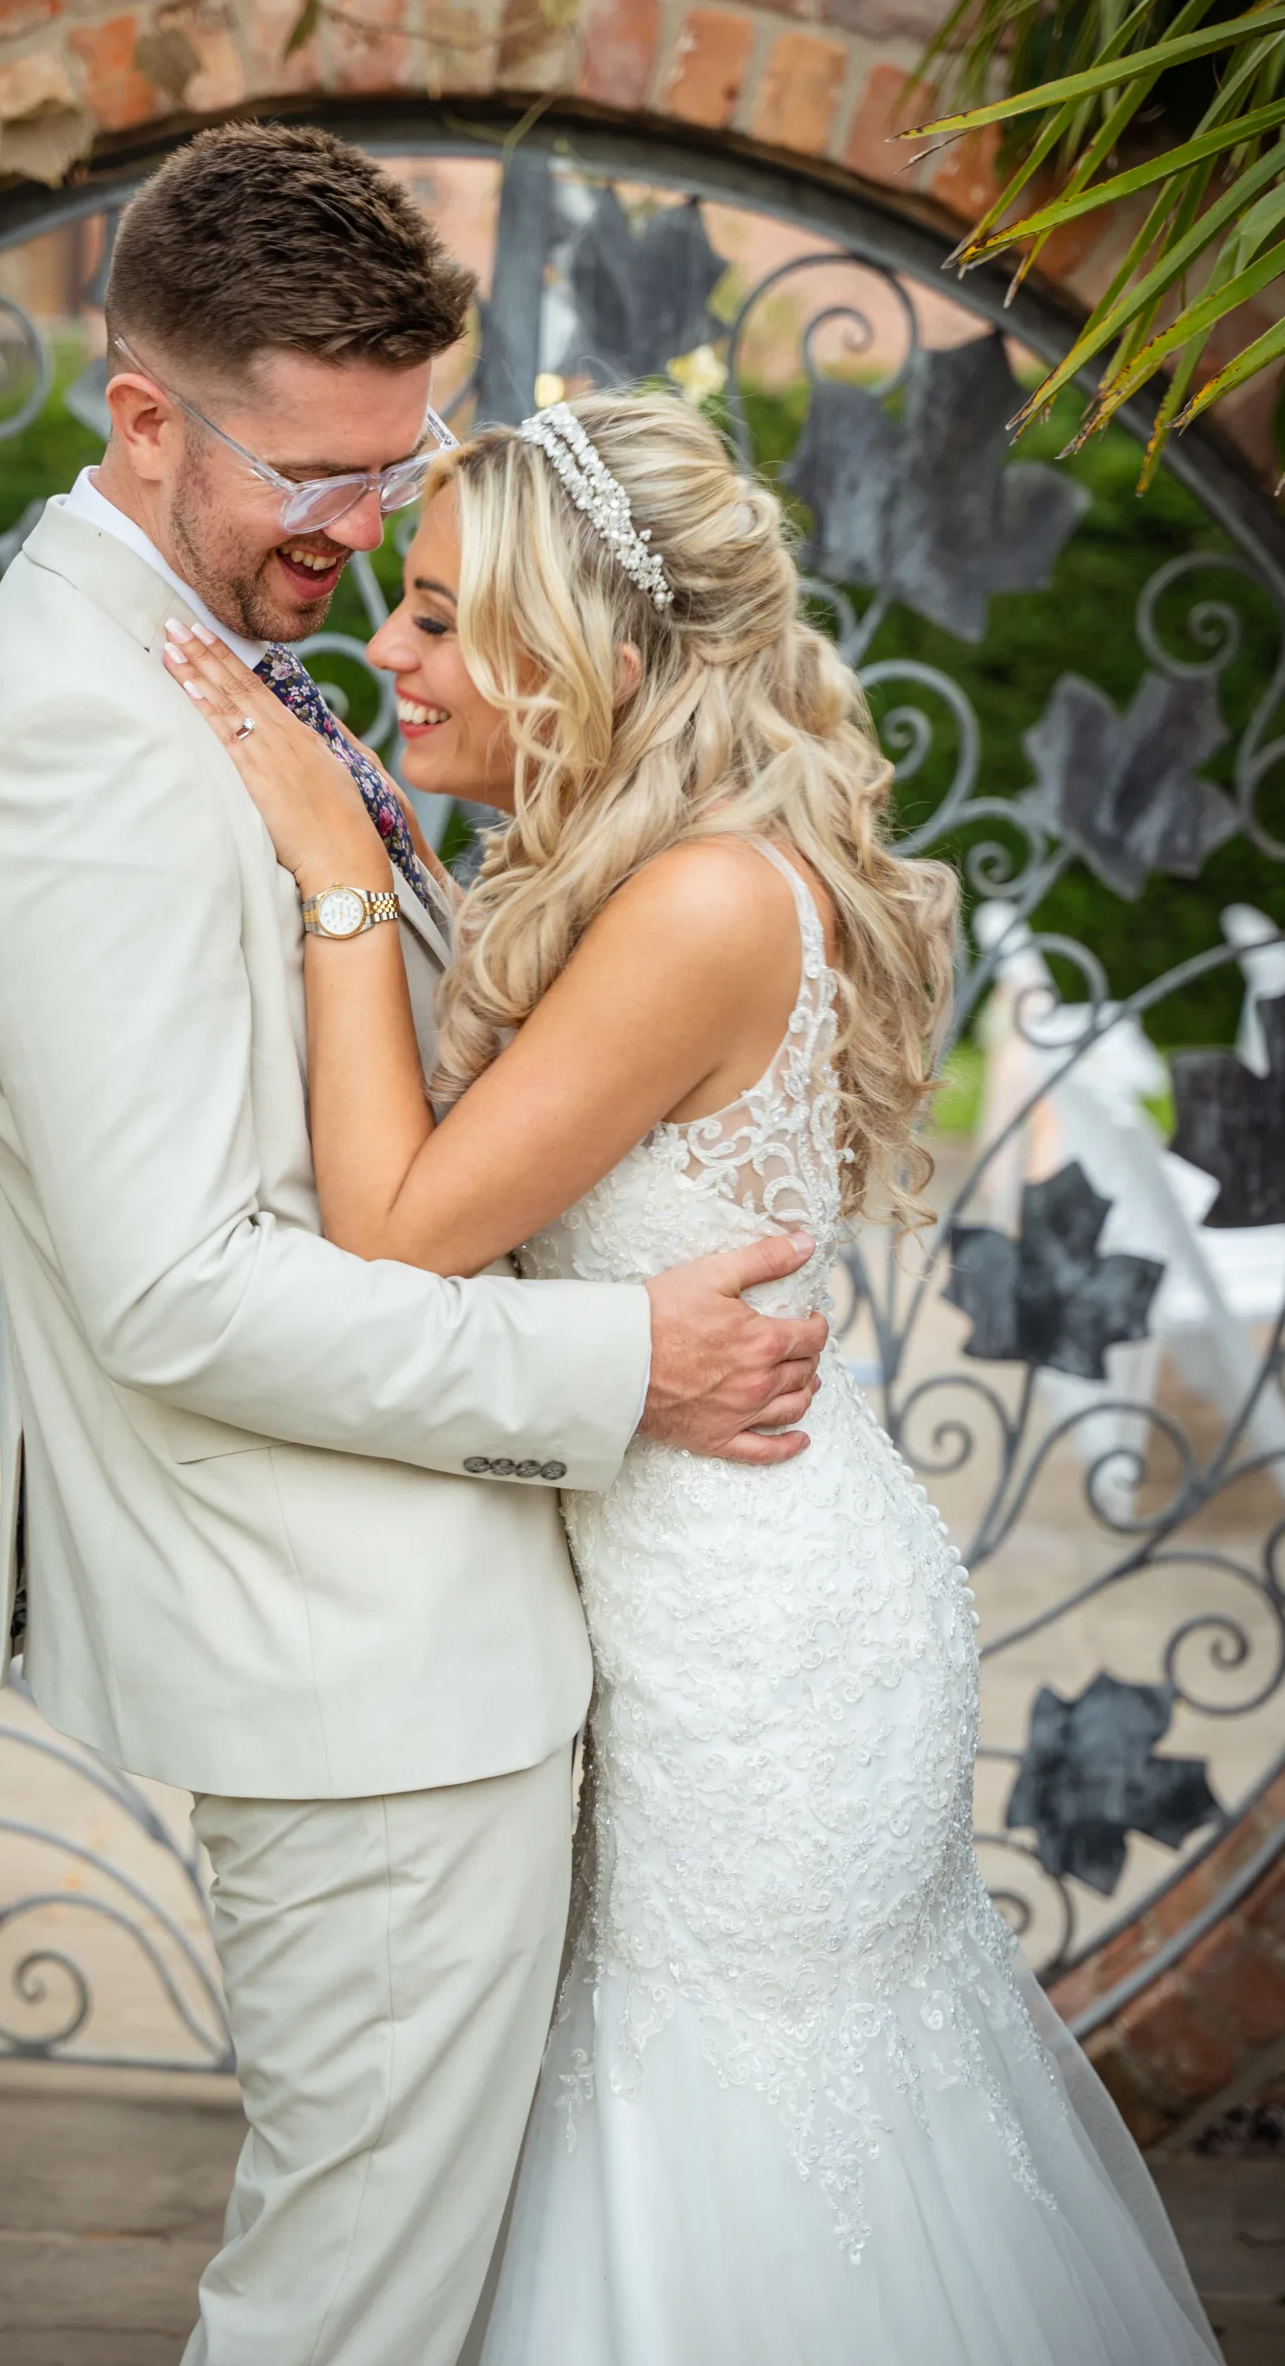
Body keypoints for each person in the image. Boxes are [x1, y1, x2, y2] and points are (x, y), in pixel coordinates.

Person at [164, 386, 1224, 2366]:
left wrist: (325, 864)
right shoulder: (629, 869)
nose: (381, 652)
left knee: (740, 2142)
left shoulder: (701, 899)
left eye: (431, 616)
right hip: (690, 1589)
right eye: (394, 607)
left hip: (749, 1657)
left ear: (594, 658)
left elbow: (397, 1233)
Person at [0, 122, 830, 2366]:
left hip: (426, 1651)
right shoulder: (95, 748)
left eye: (392, 472)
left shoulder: (193, 665)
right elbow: (178, 1287)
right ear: (142, 417)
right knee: (346, 2314)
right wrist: (627, 1369)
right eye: (317, 478)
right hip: (362, 1677)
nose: (363, 529)